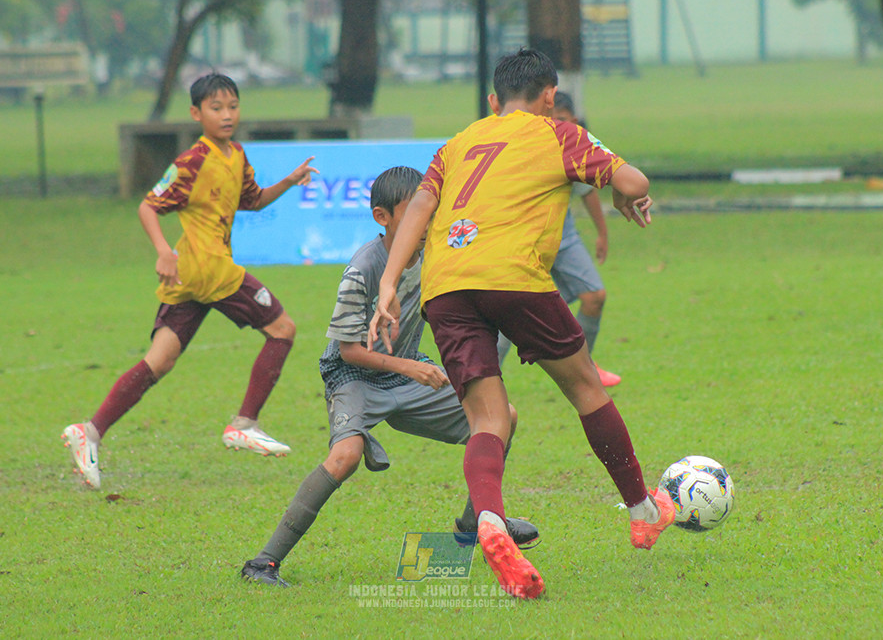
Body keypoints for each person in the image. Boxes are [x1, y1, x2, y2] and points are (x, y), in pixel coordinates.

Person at [368, 49, 674, 600]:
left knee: (488, 418)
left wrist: (390, 282)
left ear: (493, 101)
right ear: (550, 97)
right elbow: (634, 178)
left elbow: (419, 205)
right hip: (514, 276)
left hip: (444, 285)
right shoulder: (559, 133)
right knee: (585, 388)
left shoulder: (456, 144)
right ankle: (643, 509)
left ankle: (488, 520)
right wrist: (629, 196)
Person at [240, 167, 538, 587]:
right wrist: (411, 367)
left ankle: (476, 526)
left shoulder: (433, 254)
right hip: (353, 376)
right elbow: (348, 350)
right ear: (383, 217)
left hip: (407, 372)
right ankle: (263, 563)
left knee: (501, 416)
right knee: (344, 458)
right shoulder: (363, 268)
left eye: (428, 211)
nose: (425, 221)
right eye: (413, 212)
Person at [61, 73, 318, 490]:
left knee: (159, 360)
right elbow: (148, 207)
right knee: (283, 329)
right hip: (209, 270)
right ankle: (244, 423)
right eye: (216, 108)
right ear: (196, 114)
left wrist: (288, 182)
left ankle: (89, 432)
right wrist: (164, 251)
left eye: (232, 106)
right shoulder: (192, 161)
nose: (227, 115)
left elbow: (251, 200)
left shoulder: (236, 155)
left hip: (192, 278)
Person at [495, 91, 621, 388]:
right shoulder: (527, 145)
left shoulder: (570, 145)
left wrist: (602, 232)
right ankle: (485, 382)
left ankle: (586, 368)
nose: (555, 124)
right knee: (506, 316)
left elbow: (586, 191)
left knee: (595, 295)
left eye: (562, 120)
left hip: (564, 241)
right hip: (524, 244)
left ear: (573, 121)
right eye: (551, 119)